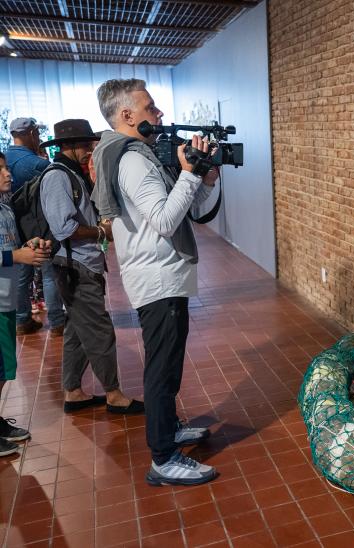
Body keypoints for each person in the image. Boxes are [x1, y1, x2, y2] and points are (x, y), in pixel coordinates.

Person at [93, 78, 217, 486]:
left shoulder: (135, 154)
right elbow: (165, 222)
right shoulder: (131, 159)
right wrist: (187, 173)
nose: (159, 114)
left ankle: (169, 430)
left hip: (165, 276)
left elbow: (175, 210)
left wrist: (202, 179)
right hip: (158, 277)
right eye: (150, 107)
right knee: (162, 369)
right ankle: (163, 457)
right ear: (126, 116)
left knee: (169, 363)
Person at [38, 119, 145, 415]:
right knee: (99, 331)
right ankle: (114, 394)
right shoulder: (58, 177)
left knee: (77, 330)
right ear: (69, 146)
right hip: (75, 266)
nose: (90, 150)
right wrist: (101, 231)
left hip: (82, 264)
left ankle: (73, 391)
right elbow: (64, 228)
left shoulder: (71, 173)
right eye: (86, 145)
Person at [0, 152, 52, 456]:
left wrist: (28, 246)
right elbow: (10, 254)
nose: (8, 175)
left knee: (5, 369)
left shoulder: (5, 208)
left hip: (6, 300)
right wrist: (15, 257)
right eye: (1, 170)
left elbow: (12, 245)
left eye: (6, 168)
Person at [5, 117, 66, 336]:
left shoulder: (4, 159)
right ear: (31, 134)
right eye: (37, 133)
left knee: (22, 273)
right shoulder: (37, 164)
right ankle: (58, 321)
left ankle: (22, 320)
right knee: (48, 272)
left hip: (12, 226)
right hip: (38, 226)